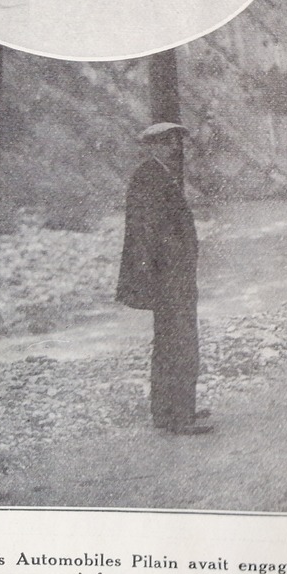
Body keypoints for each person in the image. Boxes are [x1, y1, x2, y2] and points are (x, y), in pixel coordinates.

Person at [116, 122, 211, 434]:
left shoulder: (156, 175)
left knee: (174, 341)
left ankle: (173, 411)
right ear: (152, 145)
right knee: (178, 342)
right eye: (168, 142)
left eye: (175, 141)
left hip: (173, 276)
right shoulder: (150, 177)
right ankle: (177, 417)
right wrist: (174, 268)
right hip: (170, 277)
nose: (175, 147)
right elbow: (151, 232)